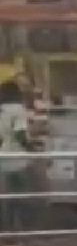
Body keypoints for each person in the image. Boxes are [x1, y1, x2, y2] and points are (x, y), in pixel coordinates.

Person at [0, 81, 33, 231]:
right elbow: (20, 134)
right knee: (21, 195)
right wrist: (32, 150)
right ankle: (19, 228)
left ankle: (6, 229)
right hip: (17, 159)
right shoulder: (18, 110)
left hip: (2, 158)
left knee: (5, 197)